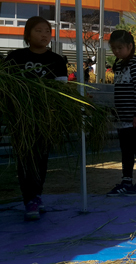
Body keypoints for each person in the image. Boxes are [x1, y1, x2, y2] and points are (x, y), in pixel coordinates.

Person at [5, 16, 68, 221]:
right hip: (21, 117)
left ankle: (36, 194)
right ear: (28, 34)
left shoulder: (57, 60)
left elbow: (61, 89)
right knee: (25, 158)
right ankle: (29, 198)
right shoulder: (15, 57)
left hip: (45, 117)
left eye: (47, 32)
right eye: (39, 31)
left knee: (41, 158)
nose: (44, 35)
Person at [106, 30, 136, 197]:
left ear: (130, 46)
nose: (116, 51)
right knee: (125, 149)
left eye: (119, 48)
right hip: (123, 117)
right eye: (113, 48)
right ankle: (126, 181)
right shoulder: (118, 65)